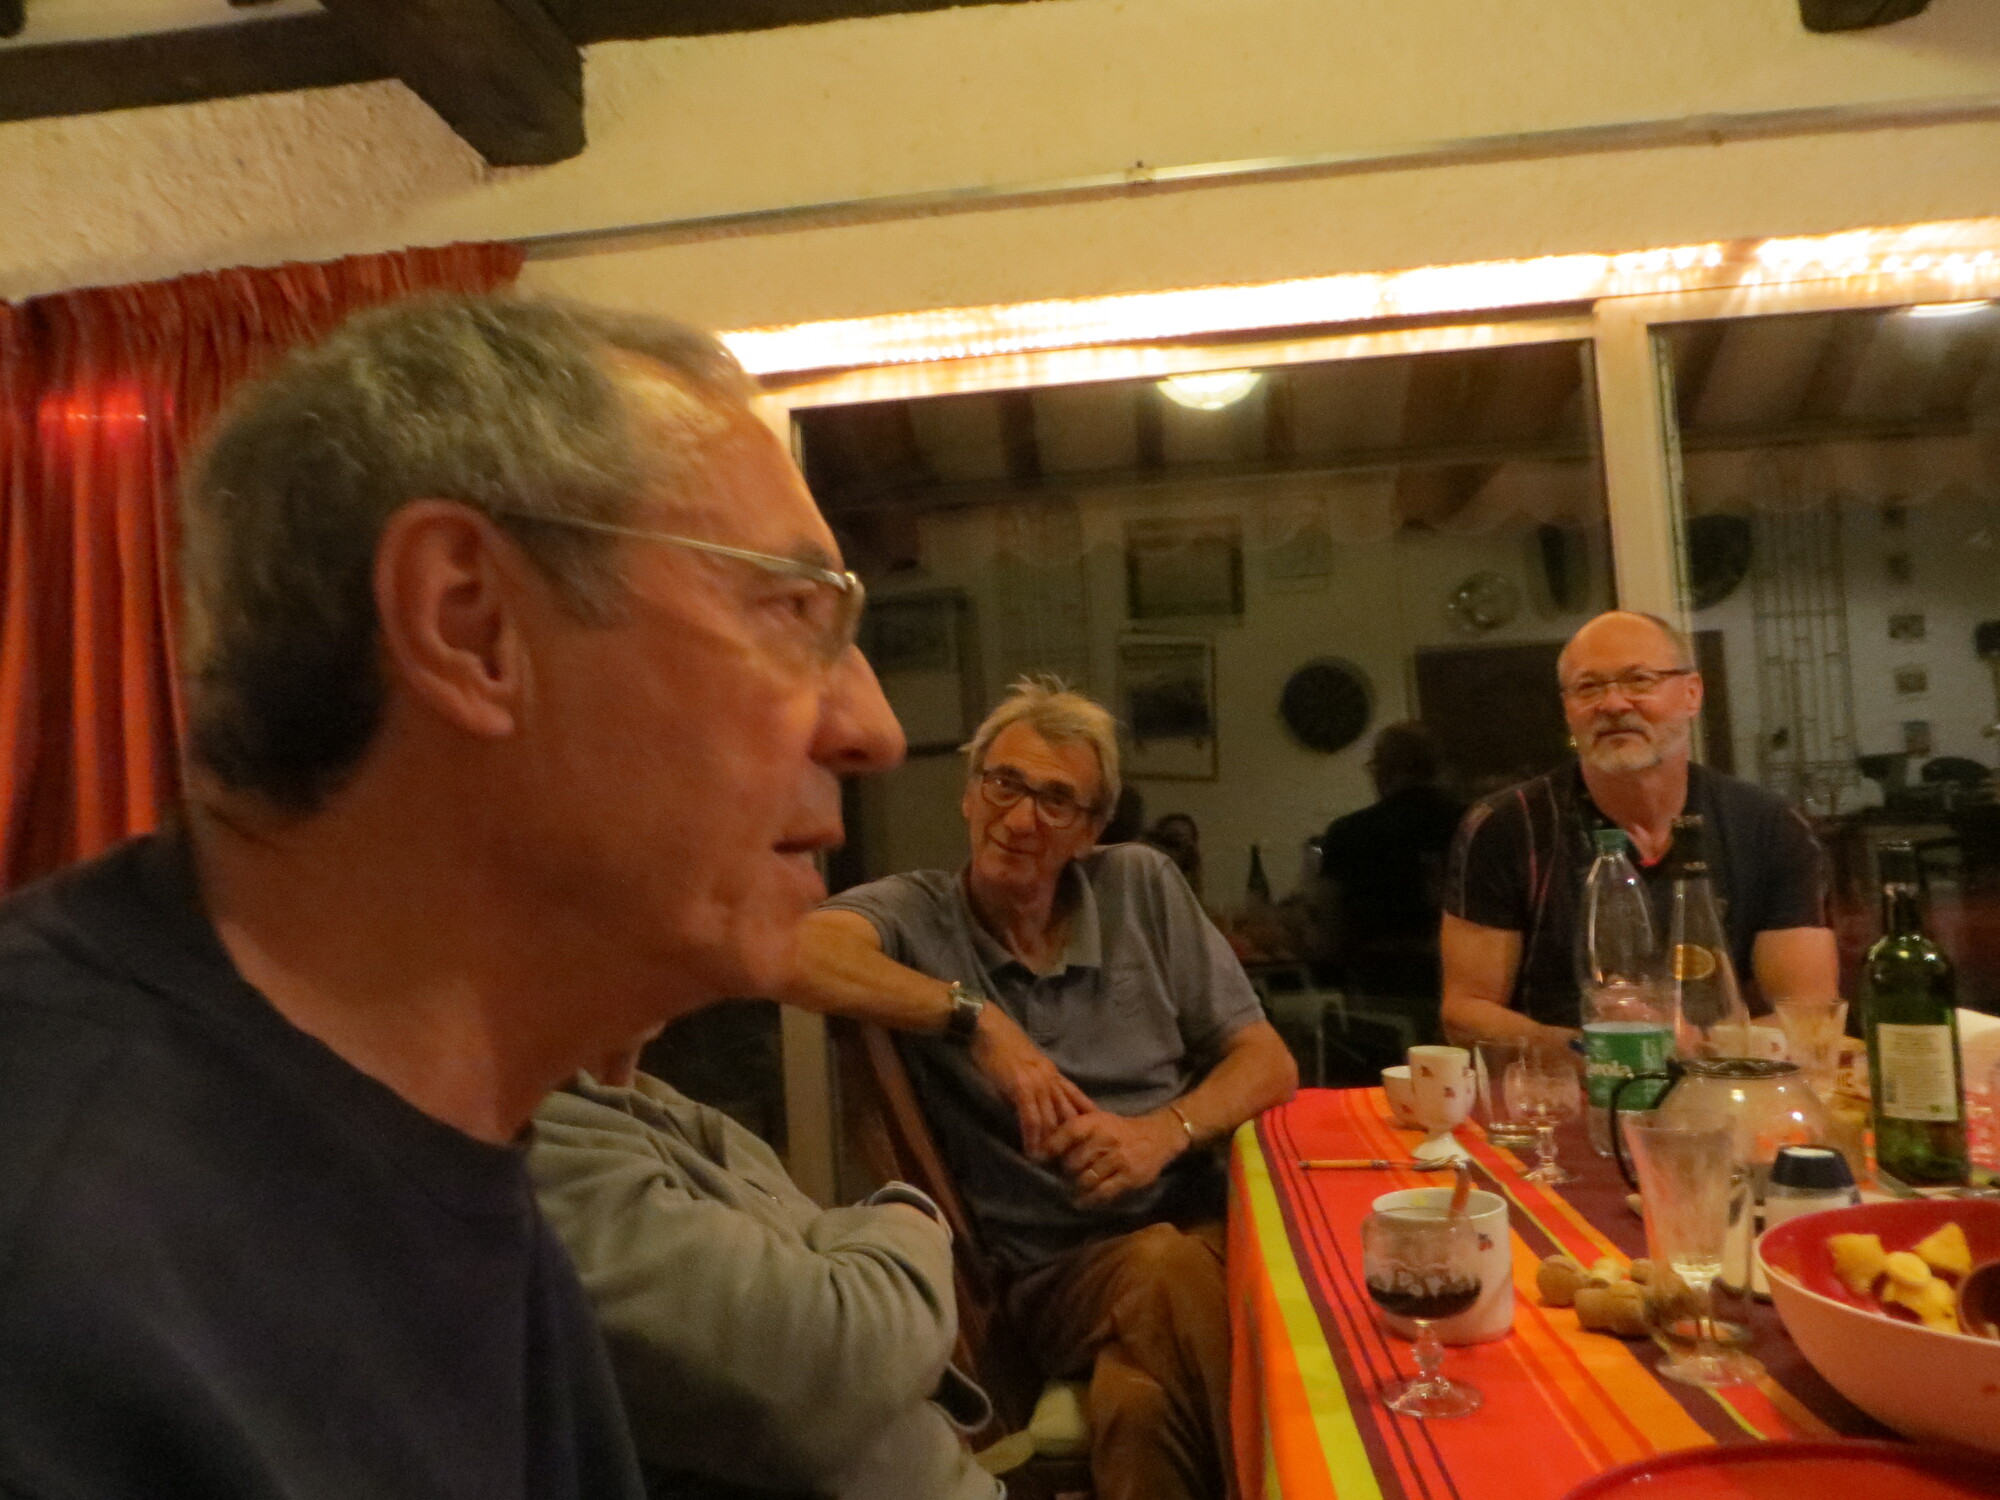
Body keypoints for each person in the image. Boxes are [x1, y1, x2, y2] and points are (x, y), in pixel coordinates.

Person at [0, 296, 902, 1497]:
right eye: (789, 610)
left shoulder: (448, 1153)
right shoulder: (56, 1289)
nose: (872, 730)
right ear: (468, 623)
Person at [781, 679, 1298, 1500]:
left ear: (1090, 832)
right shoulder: (918, 914)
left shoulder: (1140, 886)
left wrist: (1161, 1133)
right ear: (969, 792)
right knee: (1166, 1270)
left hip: (1194, 1223)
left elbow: (1268, 1062)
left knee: (1135, 1402)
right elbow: (790, 951)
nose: (1021, 819)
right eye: (1005, 783)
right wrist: (976, 1019)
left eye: (1056, 801)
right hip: (1053, 1278)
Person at [530, 1038, 998, 1500]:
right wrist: (909, 1212)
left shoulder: (653, 1100)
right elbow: (840, 1363)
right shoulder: (543, 1150)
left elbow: (861, 1316)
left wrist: (874, 1290)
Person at [1441, 610, 1836, 1044]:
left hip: (1723, 1074)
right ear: (1567, 709)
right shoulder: (1508, 827)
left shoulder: (1769, 827)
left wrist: (1695, 1052)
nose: (1613, 705)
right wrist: (1601, 1050)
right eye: (1588, 687)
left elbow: (1809, 1009)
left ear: (1692, 694)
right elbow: (1466, 1011)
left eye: (1639, 680)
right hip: (1566, 1075)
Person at [1319, 720, 1464, 1002]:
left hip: (1379, 984)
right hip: (1461, 975)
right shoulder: (1473, 823)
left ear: (1384, 770)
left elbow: (1329, 922)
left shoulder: (1349, 832)